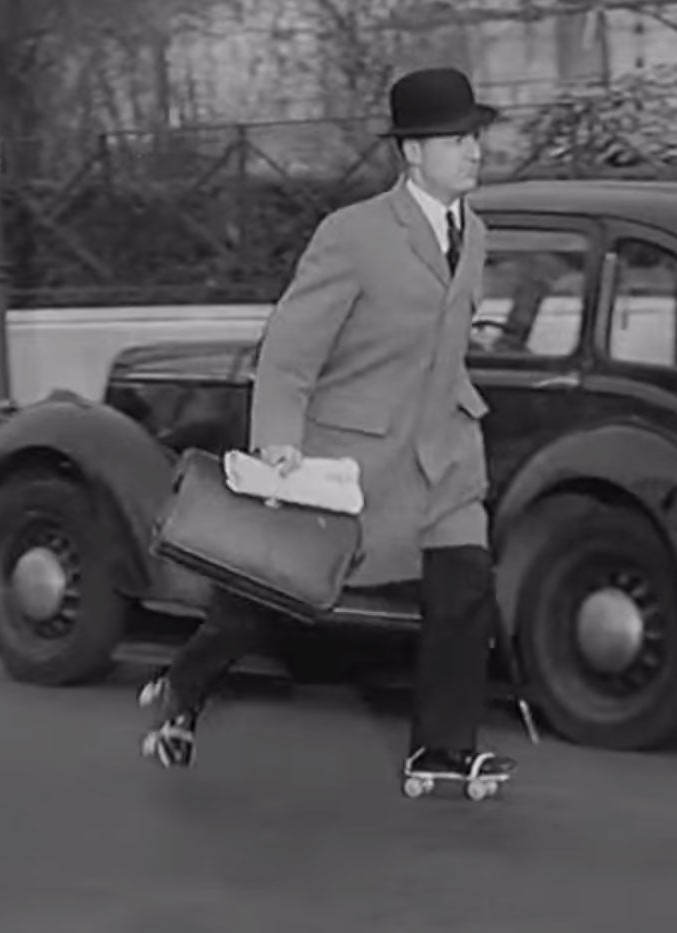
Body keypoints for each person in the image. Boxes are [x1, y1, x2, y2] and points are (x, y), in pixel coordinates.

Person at [140, 66, 516, 790]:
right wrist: (278, 438)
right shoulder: (353, 235)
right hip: (354, 460)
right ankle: (184, 686)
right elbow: (289, 347)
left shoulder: (476, 236)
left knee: (464, 583)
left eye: (476, 137)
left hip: (442, 453)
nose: (474, 151)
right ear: (412, 152)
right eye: (457, 139)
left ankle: (440, 749)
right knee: (274, 599)